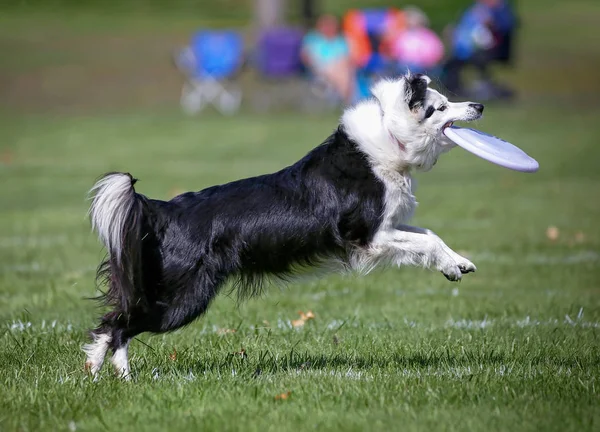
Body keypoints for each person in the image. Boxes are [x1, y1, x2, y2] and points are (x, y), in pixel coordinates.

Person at [441, 0, 517, 99]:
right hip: (468, 48)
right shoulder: (475, 9)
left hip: (491, 49)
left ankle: (488, 89)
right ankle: (453, 90)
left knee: (478, 59)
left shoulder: (501, 10)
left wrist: (492, 24)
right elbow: (466, 27)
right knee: (451, 64)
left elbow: (505, 27)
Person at [301, 14, 355, 104]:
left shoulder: (341, 41)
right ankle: (346, 102)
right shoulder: (313, 39)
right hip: (319, 68)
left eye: (331, 25)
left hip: (340, 68)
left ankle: (344, 101)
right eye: (326, 25)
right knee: (344, 74)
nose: (329, 28)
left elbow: (349, 57)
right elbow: (306, 57)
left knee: (343, 69)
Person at [384, 6, 445, 76]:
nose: (411, 22)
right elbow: (393, 51)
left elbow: (437, 50)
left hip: (426, 66)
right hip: (404, 65)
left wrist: (428, 60)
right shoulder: (401, 35)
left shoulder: (427, 35)